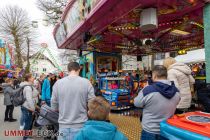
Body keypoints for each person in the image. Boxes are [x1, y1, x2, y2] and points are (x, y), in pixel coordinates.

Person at [51, 62, 95, 140]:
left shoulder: (58, 83)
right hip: (81, 125)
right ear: (79, 69)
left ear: (68, 70)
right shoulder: (86, 82)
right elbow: (93, 103)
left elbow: (53, 105)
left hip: (63, 126)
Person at [134, 65, 180, 140]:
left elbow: (136, 103)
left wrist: (145, 88)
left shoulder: (147, 90)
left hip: (149, 131)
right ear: (166, 75)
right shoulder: (176, 91)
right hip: (166, 130)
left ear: (154, 76)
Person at [20, 73, 39, 140]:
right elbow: (29, 99)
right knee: (28, 123)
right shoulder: (28, 87)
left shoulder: (29, 85)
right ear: (29, 79)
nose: (34, 78)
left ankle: (26, 137)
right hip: (28, 107)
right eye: (32, 77)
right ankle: (25, 138)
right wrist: (33, 109)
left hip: (28, 107)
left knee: (28, 123)